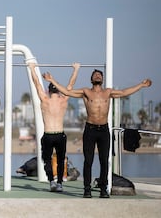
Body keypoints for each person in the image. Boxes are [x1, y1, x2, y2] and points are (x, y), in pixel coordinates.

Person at [43, 68, 152, 198]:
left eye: (99, 75)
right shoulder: (86, 92)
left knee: (104, 161)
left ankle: (103, 189)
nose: (97, 76)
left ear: (102, 79)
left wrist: (141, 85)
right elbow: (67, 91)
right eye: (95, 75)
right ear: (92, 79)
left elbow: (124, 92)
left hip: (104, 130)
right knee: (88, 161)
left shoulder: (108, 92)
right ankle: (87, 189)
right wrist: (51, 80)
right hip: (90, 130)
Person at [28, 62, 80, 192]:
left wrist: (32, 68)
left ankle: (52, 181)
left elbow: (37, 84)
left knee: (47, 160)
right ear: (58, 89)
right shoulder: (64, 100)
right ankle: (60, 183)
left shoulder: (45, 100)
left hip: (49, 135)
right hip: (60, 134)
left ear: (49, 91)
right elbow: (70, 85)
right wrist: (76, 69)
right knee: (61, 160)